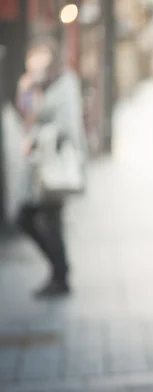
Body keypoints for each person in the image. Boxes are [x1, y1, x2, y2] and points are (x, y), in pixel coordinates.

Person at [16, 37, 87, 298]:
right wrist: (25, 92)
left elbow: (67, 126)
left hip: (54, 165)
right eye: (32, 55)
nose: (36, 61)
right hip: (38, 167)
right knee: (35, 219)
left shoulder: (64, 82)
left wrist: (35, 138)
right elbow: (27, 117)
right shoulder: (34, 84)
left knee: (46, 220)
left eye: (41, 55)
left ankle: (60, 275)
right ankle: (60, 273)